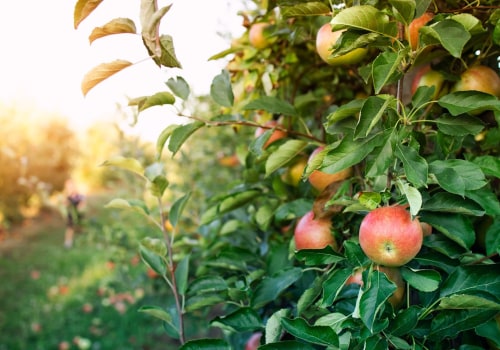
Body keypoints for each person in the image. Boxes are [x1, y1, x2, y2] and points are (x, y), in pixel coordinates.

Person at [63, 179, 85, 248]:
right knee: (70, 228)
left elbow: (82, 203)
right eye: (68, 187)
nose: (70, 188)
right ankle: (68, 243)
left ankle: (82, 239)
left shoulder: (79, 196)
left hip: (78, 214)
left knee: (80, 226)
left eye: (71, 186)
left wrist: (80, 206)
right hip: (71, 215)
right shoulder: (67, 197)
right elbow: (65, 205)